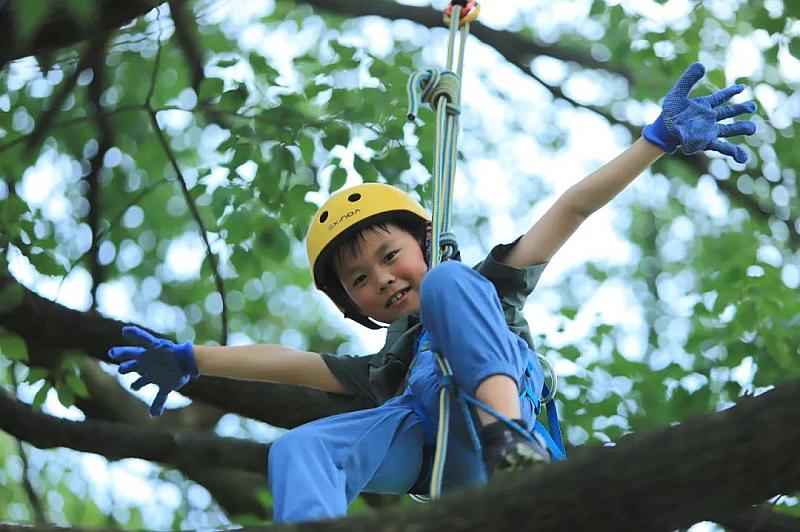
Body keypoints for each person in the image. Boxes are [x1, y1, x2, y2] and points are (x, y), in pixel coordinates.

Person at [108, 63, 757, 523]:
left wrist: (653, 143)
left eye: (390, 257)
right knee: (300, 446)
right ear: (353, 305)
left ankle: (512, 444)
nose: (383, 279)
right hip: (445, 463)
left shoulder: (484, 289)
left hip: (505, 441)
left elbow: (572, 210)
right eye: (360, 280)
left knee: (453, 284)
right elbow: (287, 363)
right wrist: (195, 359)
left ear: (422, 241)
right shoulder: (382, 370)